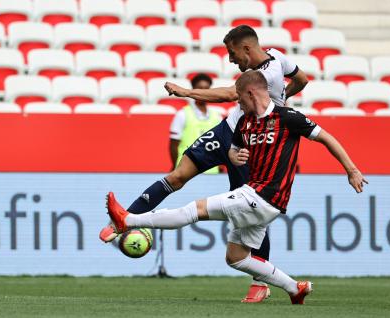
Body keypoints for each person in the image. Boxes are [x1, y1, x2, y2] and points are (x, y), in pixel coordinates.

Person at [104, 70, 368, 305]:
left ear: (251, 93)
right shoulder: (245, 123)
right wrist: (235, 156)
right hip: (263, 200)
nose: (237, 104)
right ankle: (294, 288)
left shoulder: (288, 117)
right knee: (236, 257)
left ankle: (129, 220)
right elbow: (232, 150)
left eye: (239, 99)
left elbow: (326, 137)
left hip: (261, 196)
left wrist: (352, 169)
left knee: (194, 210)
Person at [99, 25, 310, 302]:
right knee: (177, 176)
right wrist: (281, 98)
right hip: (227, 131)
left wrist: (187, 92)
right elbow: (302, 80)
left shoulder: (268, 71)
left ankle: (261, 282)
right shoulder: (277, 57)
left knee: (250, 214)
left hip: (250, 143)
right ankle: (122, 222)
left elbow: (229, 95)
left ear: (245, 48)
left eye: (232, 53)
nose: (231, 60)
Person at [169, 73, 222, 174]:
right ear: (193, 89)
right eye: (200, 88)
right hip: (185, 172)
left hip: (211, 172)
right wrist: (176, 168)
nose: (203, 91)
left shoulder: (217, 116)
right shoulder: (182, 114)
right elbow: (173, 145)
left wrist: (219, 167)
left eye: (206, 88)